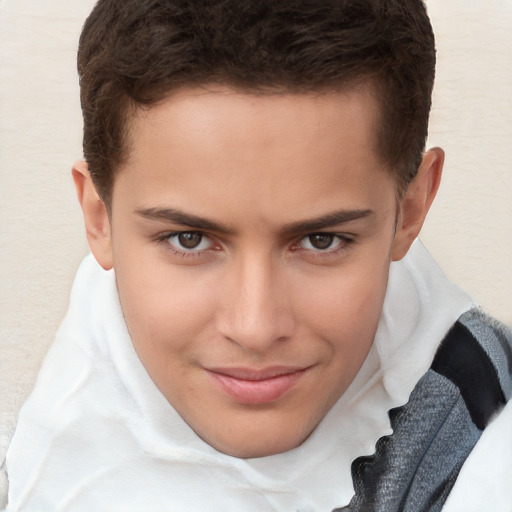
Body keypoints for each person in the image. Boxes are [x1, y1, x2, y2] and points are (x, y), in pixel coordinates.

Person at [4, 0, 511, 510]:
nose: (255, 327)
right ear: (100, 219)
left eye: (321, 240)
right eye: (189, 240)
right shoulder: (47, 442)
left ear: (412, 209)